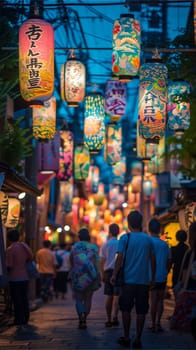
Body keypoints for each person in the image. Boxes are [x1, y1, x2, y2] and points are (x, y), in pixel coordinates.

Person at [111, 210, 156, 349]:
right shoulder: (148, 239)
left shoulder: (125, 238)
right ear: (141, 223)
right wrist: (153, 277)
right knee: (141, 311)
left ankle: (126, 336)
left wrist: (114, 274)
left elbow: (119, 258)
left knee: (125, 309)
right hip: (143, 281)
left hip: (128, 281)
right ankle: (137, 338)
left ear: (129, 223)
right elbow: (153, 260)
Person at [70, 228, 101, 329]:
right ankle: (85, 319)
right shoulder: (94, 248)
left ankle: (80, 319)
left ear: (79, 237)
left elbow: (71, 262)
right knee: (88, 299)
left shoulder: (74, 247)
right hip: (90, 276)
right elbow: (97, 264)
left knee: (78, 299)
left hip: (78, 275)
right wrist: (99, 276)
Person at [5, 229, 33, 332]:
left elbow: (9, 265)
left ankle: (18, 319)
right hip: (24, 276)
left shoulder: (10, 249)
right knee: (24, 298)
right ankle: (25, 318)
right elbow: (31, 257)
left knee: (16, 300)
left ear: (8, 238)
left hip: (14, 278)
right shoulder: (24, 246)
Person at [148, 218, 171, 332]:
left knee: (153, 301)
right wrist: (165, 271)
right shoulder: (165, 245)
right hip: (162, 275)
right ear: (159, 229)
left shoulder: (148, 242)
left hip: (151, 277)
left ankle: (152, 324)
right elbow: (169, 261)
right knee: (160, 301)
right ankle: (158, 323)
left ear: (149, 229)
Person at [100, 223, 120, 327]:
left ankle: (108, 319)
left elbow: (102, 261)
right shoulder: (121, 243)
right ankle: (115, 317)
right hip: (119, 272)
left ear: (110, 232)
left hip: (108, 272)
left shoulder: (105, 244)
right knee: (117, 295)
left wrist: (102, 274)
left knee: (109, 295)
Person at [170, 229, 189, 299]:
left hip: (176, 273)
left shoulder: (173, 249)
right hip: (186, 275)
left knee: (176, 292)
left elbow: (171, 262)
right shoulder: (188, 250)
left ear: (176, 237)